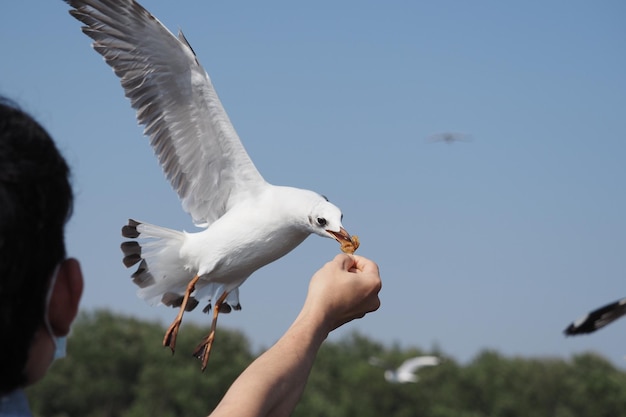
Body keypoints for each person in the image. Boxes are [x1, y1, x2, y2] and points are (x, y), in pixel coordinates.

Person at [0, 96, 382, 417]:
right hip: (196, 253)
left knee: (223, 290)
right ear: (65, 293)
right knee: (188, 68)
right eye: (327, 225)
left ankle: (209, 327)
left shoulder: (307, 222)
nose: (337, 233)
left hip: (228, 276)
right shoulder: (257, 194)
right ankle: (183, 311)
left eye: (336, 226)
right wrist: (320, 316)